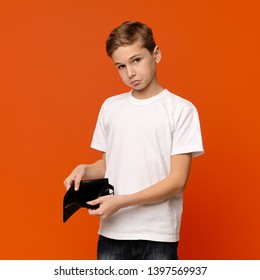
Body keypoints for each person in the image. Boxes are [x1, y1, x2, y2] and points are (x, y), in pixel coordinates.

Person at [64, 21, 204, 260]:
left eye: (136, 60)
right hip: (112, 233)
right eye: (120, 66)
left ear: (156, 54)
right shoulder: (111, 107)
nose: (130, 73)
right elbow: (108, 164)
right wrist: (85, 169)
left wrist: (122, 202)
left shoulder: (181, 110)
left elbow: (177, 181)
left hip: (158, 235)